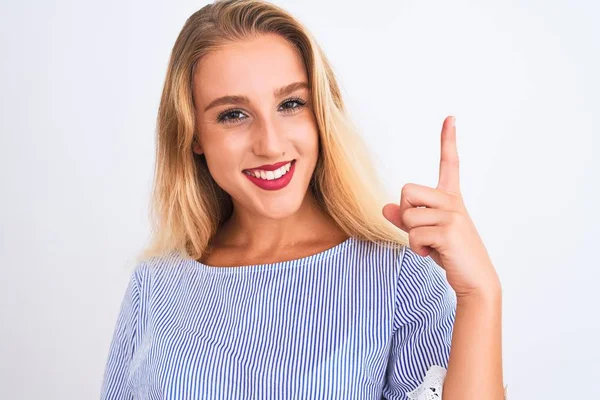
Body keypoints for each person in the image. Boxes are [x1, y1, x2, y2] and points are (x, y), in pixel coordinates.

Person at [100, 0, 506, 398]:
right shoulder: (155, 283)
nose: (271, 144)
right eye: (233, 114)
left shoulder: (398, 277)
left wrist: (480, 294)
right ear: (192, 136)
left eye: (291, 104)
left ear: (321, 115)